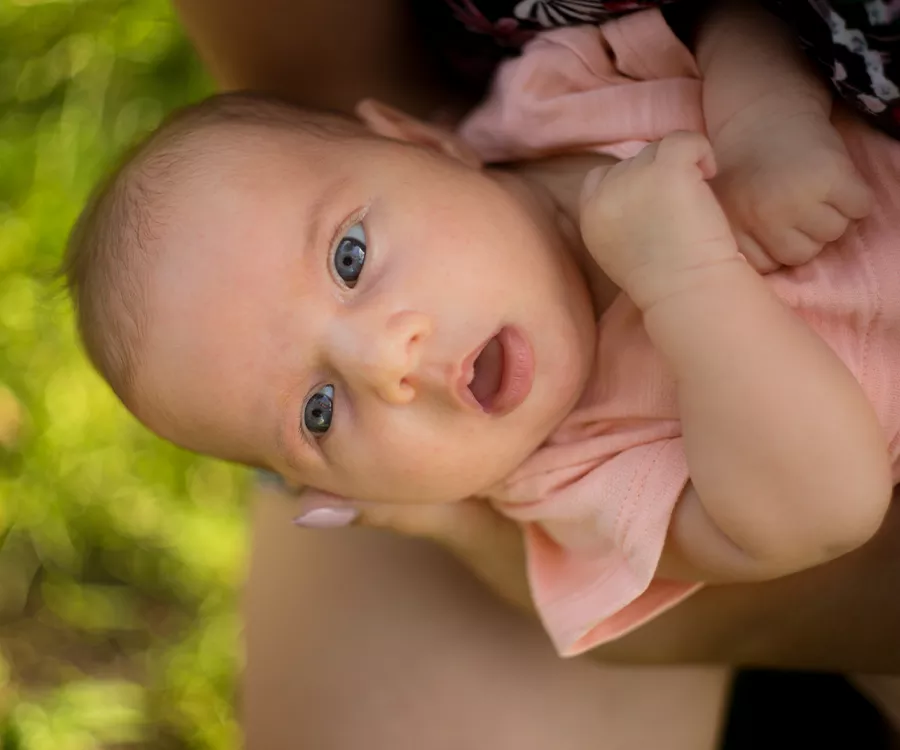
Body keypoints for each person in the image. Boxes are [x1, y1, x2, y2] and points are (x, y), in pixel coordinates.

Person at [143, 1, 898, 747]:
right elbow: (827, 510)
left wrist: (761, 126)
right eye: (318, 411)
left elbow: (731, 20)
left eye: (350, 258)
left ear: (422, 142)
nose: (384, 361)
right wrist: (686, 279)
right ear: (344, 491)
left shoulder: (556, 99)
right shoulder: (571, 486)